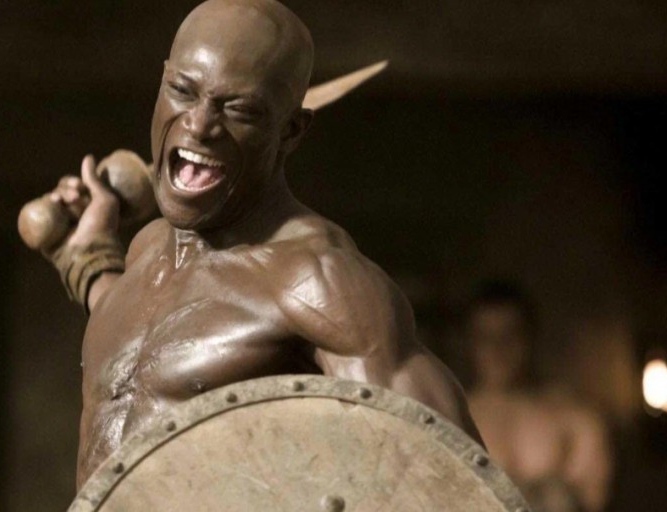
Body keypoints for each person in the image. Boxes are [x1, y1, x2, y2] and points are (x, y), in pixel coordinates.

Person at [33, 0, 481, 488]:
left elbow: (457, 479)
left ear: (291, 131)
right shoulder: (146, 251)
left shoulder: (322, 280)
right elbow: (151, 345)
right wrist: (86, 255)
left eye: (239, 109)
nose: (199, 125)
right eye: (182, 91)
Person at [466, 281, 613, 512]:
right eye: (486, 337)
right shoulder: (454, 418)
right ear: (471, 343)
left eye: (510, 335)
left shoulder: (574, 417)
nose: (498, 348)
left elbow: (593, 499)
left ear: (530, 338)